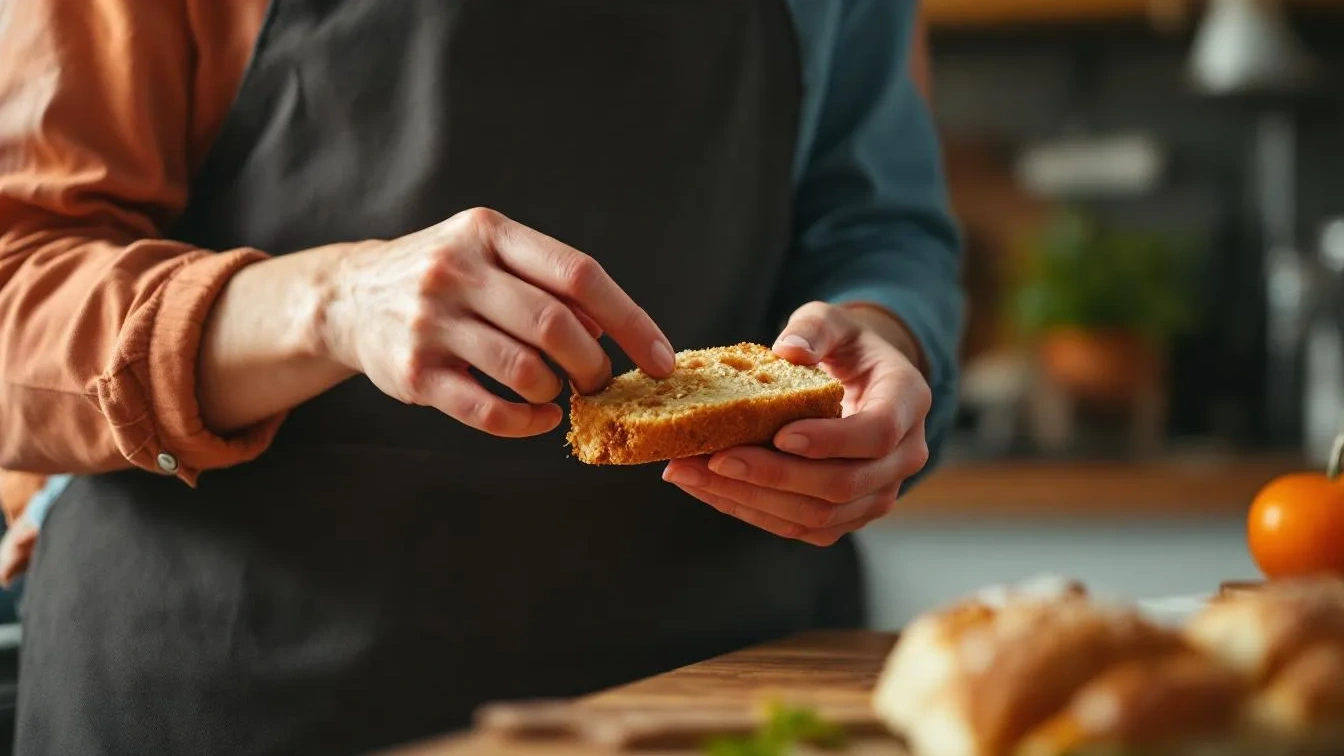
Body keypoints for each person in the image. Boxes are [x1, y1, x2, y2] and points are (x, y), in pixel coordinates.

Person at [0, 1, 962, 754]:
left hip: (711, 674)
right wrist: (332, 300)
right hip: (237, 678)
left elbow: (878, 230)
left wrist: (884, 343)